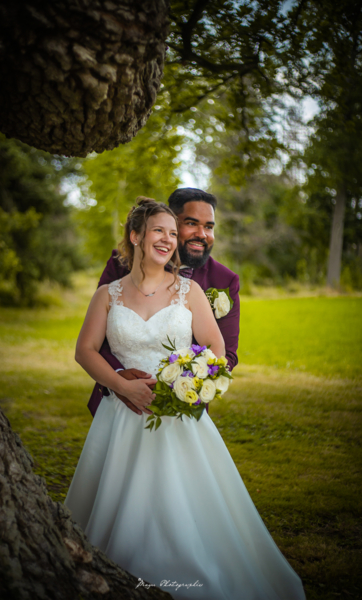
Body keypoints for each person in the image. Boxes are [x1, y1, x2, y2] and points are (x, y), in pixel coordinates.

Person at [65, 197, 306, 599]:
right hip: (119, 417)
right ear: (136, 236)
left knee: (184, 507)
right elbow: (85, 350)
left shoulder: (189, 291)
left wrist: (182, 383)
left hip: (176, 418)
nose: (168, 239)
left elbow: (214, 348)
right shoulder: (108, 294)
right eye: (159, 230)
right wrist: (120, 385)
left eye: (172, 233)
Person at [87, 188, 240, 419]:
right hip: (118, 401)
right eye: (191, 223)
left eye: (209, 226)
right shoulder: (121, 263)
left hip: (181, 408)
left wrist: (183, 387)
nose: (202, 234)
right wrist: (120, 380)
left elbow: (225, 352)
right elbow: (100, 336)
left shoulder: (223, 280)